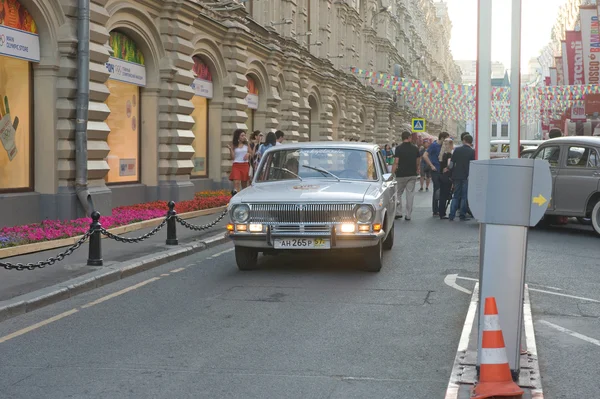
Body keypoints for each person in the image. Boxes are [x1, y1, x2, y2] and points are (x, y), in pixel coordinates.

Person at [392, 131, 420, 221]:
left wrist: (392, 173)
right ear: (409, 137)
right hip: (412, 174)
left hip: (401, 174)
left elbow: (396, 162)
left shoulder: (398, 148)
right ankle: (408, 215)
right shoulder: (415, 148)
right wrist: (417, 169)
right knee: (410, 194)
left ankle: (398, 212)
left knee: (398, 194)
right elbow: (418, 161)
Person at [448, 134, 475, 221]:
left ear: (464, 140)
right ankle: (462, 215)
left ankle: (451, 215)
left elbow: (451, 164)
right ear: (471, 142)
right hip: (466, 176)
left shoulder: (457, 150)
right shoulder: (472, 152)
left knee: (456, 195)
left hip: (456, 175)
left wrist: (449, 171)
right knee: (464, 196)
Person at [423, 132, 450, 216]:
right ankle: (435, 209)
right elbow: (425, 155)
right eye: (446, 139)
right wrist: (431, 165)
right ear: (442, 138)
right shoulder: (434, 145)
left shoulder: (444, 146)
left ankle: (440, 208)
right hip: (435, 170)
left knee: (442, 189)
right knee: (437, 189)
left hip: (442, 170)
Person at [438, 138, 454, 219]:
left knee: (442, 195)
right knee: (445, 195)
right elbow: (449, 165)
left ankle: (441, 212)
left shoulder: (442, 154)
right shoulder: (449, 154)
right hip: (447, 176)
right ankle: (442, 213)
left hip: (441, 176)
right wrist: (449, 167)